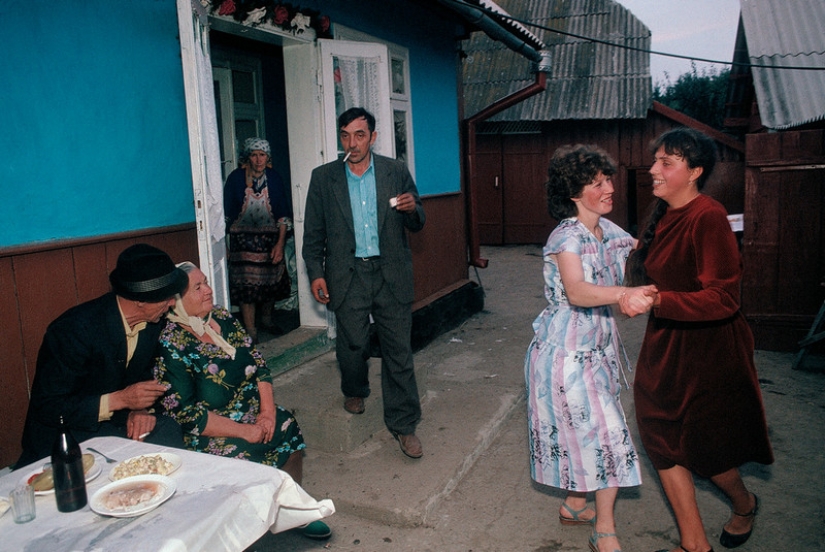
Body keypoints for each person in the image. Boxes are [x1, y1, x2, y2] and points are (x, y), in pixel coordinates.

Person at [626, 128, 774, 552]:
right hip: (667, 346)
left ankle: (744, 504)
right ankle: (695, 544)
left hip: (709, 351)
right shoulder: (664, 213)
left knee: (706, 449)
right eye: (655, 159)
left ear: (694, 172)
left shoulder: (707, 216)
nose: (653, 169)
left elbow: (723, 298)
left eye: (666, 163)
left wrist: (657, 301)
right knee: (659, 439)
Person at [525, 145, 657, 552]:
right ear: (573, 192)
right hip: (563, 357)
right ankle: (604, 530)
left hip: (597, 351)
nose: (609, 188)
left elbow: (644, 251)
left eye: (608, 179)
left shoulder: (609, 231)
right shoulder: (566, 237)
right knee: (608, 438)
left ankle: (575, 505)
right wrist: (624, 293)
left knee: (584, 434)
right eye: (596, 182)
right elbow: (579, 292)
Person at [154, 262, 331, 540]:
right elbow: (187, 415)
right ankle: (246, 530)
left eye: (206, 282)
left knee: (285, 423)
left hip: (250, 413)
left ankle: (293, 510)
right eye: (197, 287)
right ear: (175, 300)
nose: (208, 290)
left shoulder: (222, 318)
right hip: (211, 430)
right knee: (239, 449)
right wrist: (244, 430)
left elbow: (259, 363)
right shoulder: (171, 344)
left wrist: (268, 411)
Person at [302, 107, 426, 459]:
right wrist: (316, 273)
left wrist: (411, 208)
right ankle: (354, 388)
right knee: (352, 346)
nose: (352, 143)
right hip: (348, 275)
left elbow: (419, 220)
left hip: (391, 274)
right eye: (345, 135)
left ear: (373, 137)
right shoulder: (324, 178)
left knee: (398, 352)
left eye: (359, 135)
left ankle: (404, 425)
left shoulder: (395, 171)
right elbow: (313, 235)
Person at [17, 243, 187, 468]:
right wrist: (121, 400)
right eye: (166, 297)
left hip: (113, 421)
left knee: (167, 431)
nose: (173, 303)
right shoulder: (74, 330)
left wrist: (139, 409)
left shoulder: (152, 323)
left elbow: (139, 375)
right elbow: (49, 406)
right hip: (65, 434)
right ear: (140, 300)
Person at [224, 137, 294, 343]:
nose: (258, 159)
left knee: (269, 283)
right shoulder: (236, 179)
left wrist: (280, 244)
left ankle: (267, 320)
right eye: (253, 155)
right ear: (247, 157)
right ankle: (251, 331)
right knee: (247, 287)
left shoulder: (274, 178)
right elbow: (226, 215)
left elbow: (282, 215)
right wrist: (223, 246)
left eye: (262, 155)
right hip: (242, 242)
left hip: (269, 240)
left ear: (267, 157)